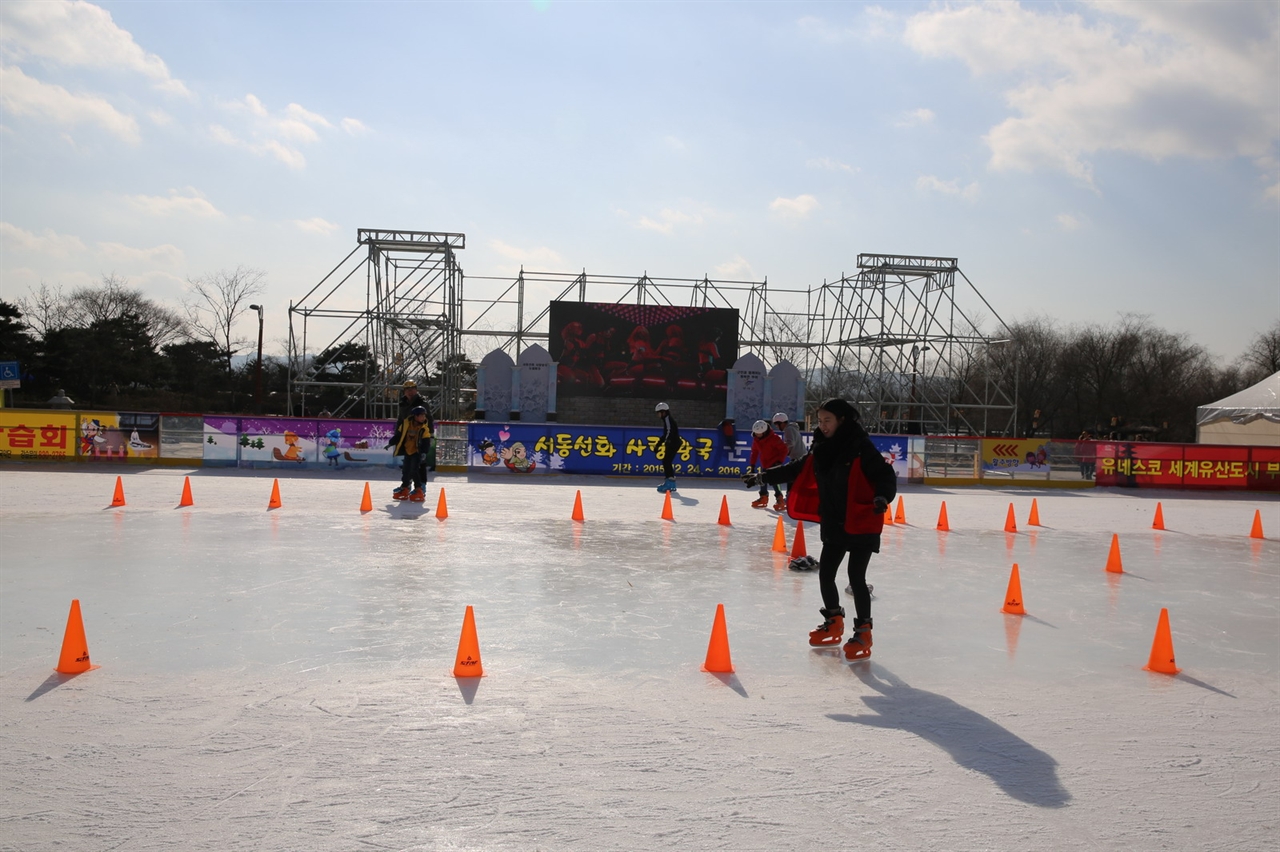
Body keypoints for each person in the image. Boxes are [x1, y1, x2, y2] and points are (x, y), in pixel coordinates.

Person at [744, 398, 896, 661]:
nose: (823, 426)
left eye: (828, 420)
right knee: (825, 574)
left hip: (861, 518)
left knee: (856, 578)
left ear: (842, 420)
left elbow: (885, 475)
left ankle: (863, 631)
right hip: (835, 521)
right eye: (820, 421)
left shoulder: (859, 446)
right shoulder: (821, 448)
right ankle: (834, 621)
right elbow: (796, 468)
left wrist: (882, 497)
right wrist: (762, 477)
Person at [387, 405, 432, 501]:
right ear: (415, 416)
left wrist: (424, 452)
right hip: (408, 451)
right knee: (406, 470)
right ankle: (405, 488)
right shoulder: (405, 424)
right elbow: (398, 435)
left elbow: (426, 442)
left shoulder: (424, 429)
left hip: (417, 452)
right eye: (421, 415)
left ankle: (418, 489)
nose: (424, 417)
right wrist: (391, 443)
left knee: (414, 471)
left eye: (424, 416)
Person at [747, 419, 788, 510]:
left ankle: (779, 498)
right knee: (761, 479)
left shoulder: (774, 438)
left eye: (759, 433)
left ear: (765, 432)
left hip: (774, 464)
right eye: (756, 433)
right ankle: (763, 497)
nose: (758, 435)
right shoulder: (756, 440)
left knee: (774, 481)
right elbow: (754, 452)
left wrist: (779, 461)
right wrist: (752, 465)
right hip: (764, 463)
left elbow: (784, 450)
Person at [655, 402, 680, 492]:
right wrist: (659, 444)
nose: (658, 415)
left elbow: (669, 432)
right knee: (666, 461)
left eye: (658, 413)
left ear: (663, 412)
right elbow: (666, 434)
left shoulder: (668, 419)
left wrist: (667, 441)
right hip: (673, 442)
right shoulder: (667, 419)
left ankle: (670, 483)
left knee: (666, 461)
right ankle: (669, 481)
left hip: (673, 443)